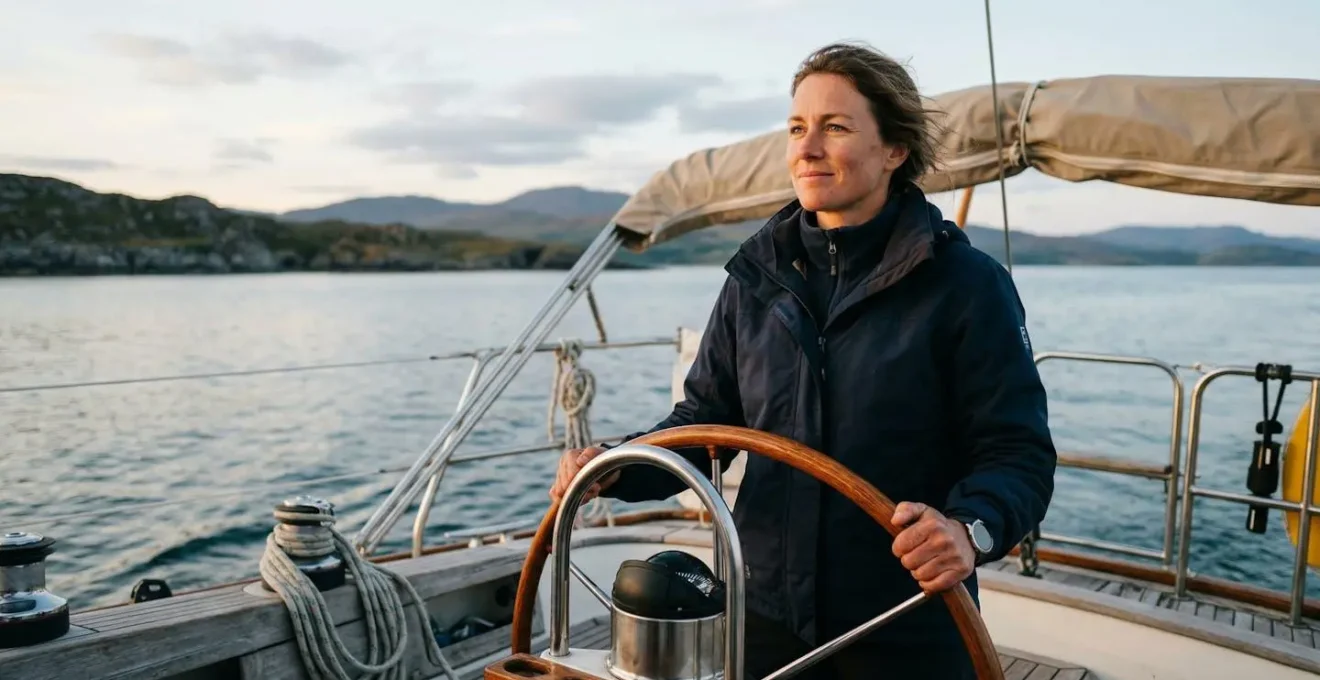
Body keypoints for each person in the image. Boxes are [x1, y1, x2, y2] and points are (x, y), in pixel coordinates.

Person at [549, 41, 1057, 680]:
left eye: (835, 127)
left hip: (905, 621)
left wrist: (967, 530)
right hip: (760, 617)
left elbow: (1018, 455)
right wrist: (618, 467)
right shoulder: (754, 280)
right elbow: (706, 424)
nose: (807, 148)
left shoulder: (966, 285)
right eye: (797, 128)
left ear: (894, 151)